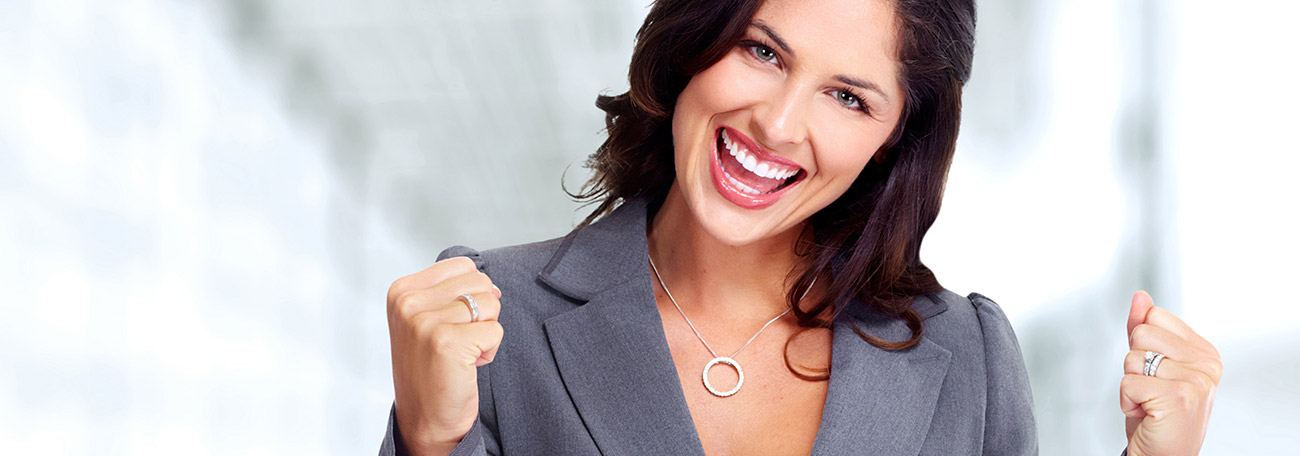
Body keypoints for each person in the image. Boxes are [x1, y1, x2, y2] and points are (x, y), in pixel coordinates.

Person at [380, 0, 1222, 454]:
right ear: (695, 37)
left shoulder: (970, 358)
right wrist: (427, 444)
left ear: (894, 140)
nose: (779, 124)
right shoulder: (495, 321)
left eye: (848, 96)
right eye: (763, 50)